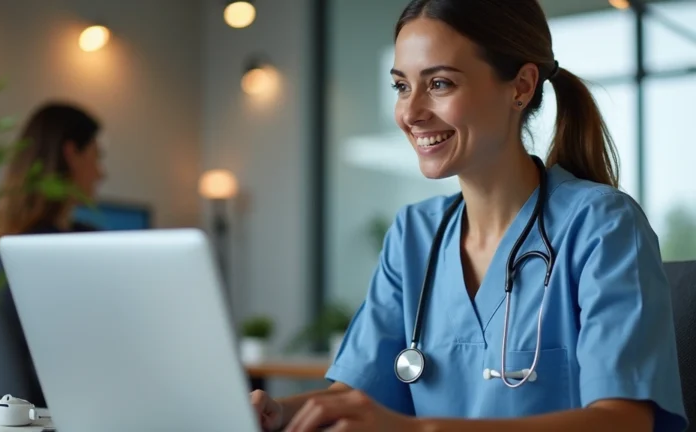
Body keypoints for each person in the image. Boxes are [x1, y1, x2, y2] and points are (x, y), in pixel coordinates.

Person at [250, 1, 688, 431]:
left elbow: (623, 421)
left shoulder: (601, 226)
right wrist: (277, 412)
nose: (410, 112)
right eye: (402, 86)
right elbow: (355, 397)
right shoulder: (413, 236)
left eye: (439, 84)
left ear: (521, 86)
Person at [0, 102, 105, 409]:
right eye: (97, 156)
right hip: (61, 408)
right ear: (71, 153)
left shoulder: (12, 245)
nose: (101, 172)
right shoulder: (55, 251)